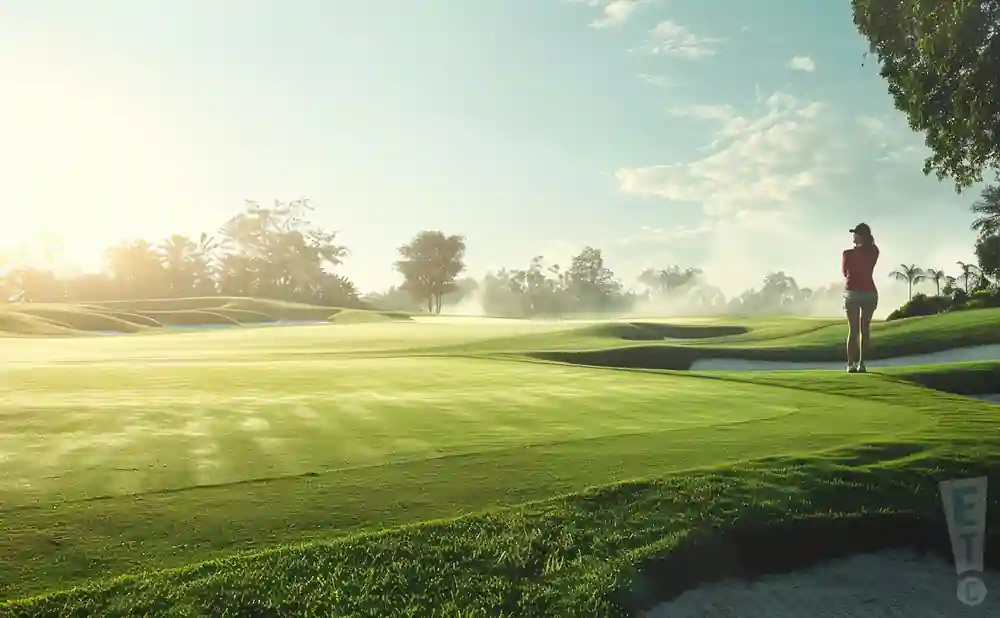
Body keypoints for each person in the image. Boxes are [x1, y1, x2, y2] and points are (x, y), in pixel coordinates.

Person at [842, 223, 879, 373]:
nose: (853, 236)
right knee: (865, 330)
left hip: (852, 293)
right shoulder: (874, 251)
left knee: (854, 331)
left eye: (855, 234)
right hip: (870, 293)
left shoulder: (847, 254)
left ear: (861, 236)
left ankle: (851, 364)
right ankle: (861, 363)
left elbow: (845, 272)